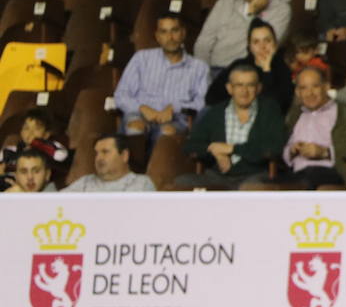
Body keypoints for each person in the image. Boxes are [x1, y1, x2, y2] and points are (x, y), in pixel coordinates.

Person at [179, 61, 286, 189]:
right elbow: (191, 145)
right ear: (230, 88)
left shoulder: (270, 110)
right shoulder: (215, 112)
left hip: (253, 176)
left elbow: (274, 147)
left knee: (251, 190)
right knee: (182, 183)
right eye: (239, 85)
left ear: (258, 88)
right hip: (217, 176)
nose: (244, 91)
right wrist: (215, 150)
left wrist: (232, 148)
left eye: (250, 85)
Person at [113, 10, 210, 139]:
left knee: (166, 133)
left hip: (176, 119)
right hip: (140, 114)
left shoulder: (200, 67)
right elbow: (121, 95)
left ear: (183, 33)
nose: (170, 37)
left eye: (174, 31)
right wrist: (142, 108)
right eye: (164, 32)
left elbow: (202, 102)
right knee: (135, 128)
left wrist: (175, 107)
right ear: (157, 37)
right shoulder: (141, 58)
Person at [281, 66, 346, 189]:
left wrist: (325, 152)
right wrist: (291, 151)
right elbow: (283, 151)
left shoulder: (344, 113)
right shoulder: (294, 116)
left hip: (331, 172)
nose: (310, 93)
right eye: (303, 88)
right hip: (296, 174)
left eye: (315, 86)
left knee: (306, 180)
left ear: (326, 87)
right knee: (263, 185)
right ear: (298, 92)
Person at [194, 0, 292, 70]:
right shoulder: (224, 2)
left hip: (252, 72)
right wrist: (203, 73)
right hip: (217, 69)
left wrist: (252, 12)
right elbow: (203, 43)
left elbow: (267, 49)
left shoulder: (281, 8)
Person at [206, 19, 294, 115]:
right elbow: (211, 97)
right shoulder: (239, 65)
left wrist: (266, 70)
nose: (262, 46)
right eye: (256, 42)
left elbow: (277, 106)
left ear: (275, 44)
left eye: (267, 41)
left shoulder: (283, 69)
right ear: (250, 46)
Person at [1, 107, 70, 188]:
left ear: (46, 134)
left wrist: (37, 143)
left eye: (36, 128)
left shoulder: (50, 148)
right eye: (26, 128)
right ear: (21, 132)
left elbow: (60, 155)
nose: (30, 132)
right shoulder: (11, 150)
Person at [64, 135, 156, 192]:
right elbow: (56, 204)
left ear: (124, 155)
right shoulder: (85, 182)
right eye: (97, 153)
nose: (98, 158)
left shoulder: (141, 184)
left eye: (105, 152)